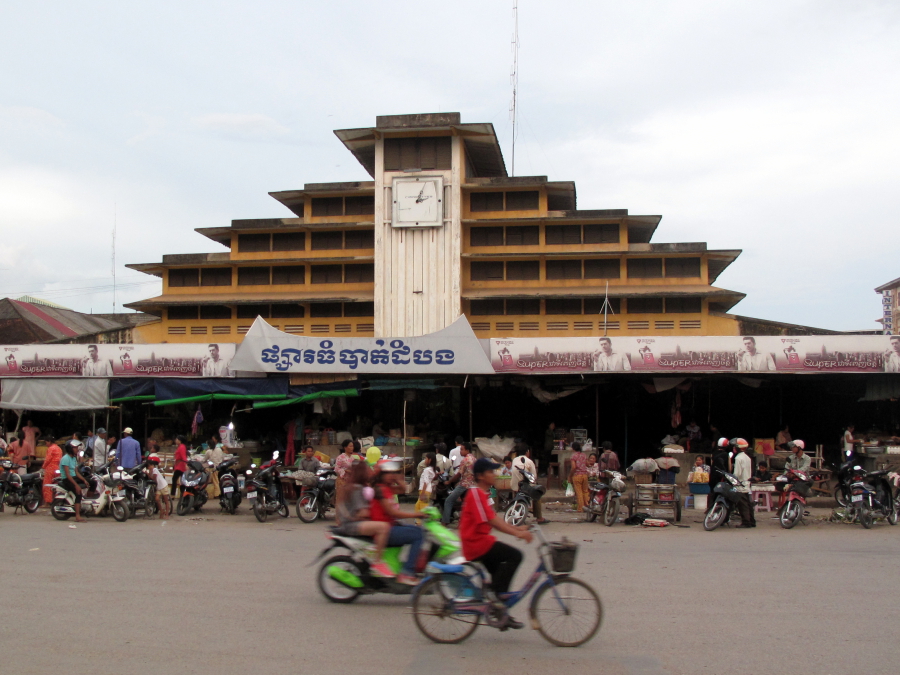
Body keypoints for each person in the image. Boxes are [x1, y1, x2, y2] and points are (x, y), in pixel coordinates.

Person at [459, 458, 534, 629]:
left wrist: (518, 529)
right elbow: (492, 521)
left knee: (499, 571)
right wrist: (517, 533)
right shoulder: (476, 493)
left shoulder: (482, 494)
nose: (494, 475)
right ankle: (497, 602)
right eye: (490, 472)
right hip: (476, 544)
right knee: (515, 556)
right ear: (481, 476)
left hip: (482, 541)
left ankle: (500, 610)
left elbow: (494, 519)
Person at [334, 461, 394, 578]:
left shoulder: (353, 486)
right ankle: (377, 563)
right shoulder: (357, 488)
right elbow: (363, 512)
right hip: (352, 525)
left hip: (350, 523)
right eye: (367, 470)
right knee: (383, 527)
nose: (369, 472)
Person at [369, 459, 424, 585]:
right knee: (418, 535)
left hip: (391, 527)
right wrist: (417, 514)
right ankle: (408, 572)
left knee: (419, 531)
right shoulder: (379, 489)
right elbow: (393, 513)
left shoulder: (387, 488)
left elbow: (403, 490)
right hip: (384, 531)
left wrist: (398, 478)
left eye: (392, 473)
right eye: (388, 473)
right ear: (381, 475)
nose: (391, 475)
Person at [511, 446, 546, 523]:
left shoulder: (514, 460)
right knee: (537, 496)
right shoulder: (529, 461)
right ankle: (539, 517)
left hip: (515, 486)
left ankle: (516, 512)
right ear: (527, 452)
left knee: (516, 495)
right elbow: (534, 477)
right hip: (525, 486)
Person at [442, 442, 474, 525]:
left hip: (464, 485)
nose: (460, 452)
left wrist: (449, 481)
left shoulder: (465, 460)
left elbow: (459, 474)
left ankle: (445, 521)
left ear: (467, 450)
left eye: (462, 450)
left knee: (449, 500)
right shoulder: (474, 459)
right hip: (472, 485)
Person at [60, 440, 88, 522]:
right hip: (67, 479)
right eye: (75, 447)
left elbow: (76, 472)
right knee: (78, 493)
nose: (77, 449)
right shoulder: (65, 458)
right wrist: (76, 485)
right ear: (70, 448)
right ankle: (77, 516)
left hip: (74, 477)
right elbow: (68, 475)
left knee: (92, 482)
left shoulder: (74, 458)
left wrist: (84, 480)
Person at [731, 438, 754, 528]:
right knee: (748, 504)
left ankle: (746, 522)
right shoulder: (747, 457)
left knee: (743, 505)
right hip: (747, 482)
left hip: (740, 484)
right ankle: (752, 521)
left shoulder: (738, 458)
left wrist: (733, 479)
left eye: (734, 447)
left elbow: (737, 473)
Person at [334, 439, 357, 523]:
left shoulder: (353, 458)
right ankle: (339, 518)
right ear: (345, 447)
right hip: (342, 480)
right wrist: (345, 471)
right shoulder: (340, 457)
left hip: (350, 481)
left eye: (352, 446)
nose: (352, 448)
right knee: (340, 500)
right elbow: (336, 468)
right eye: (350, 446)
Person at [568, 441, 590, 513]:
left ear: (573, 448)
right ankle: (587, 506)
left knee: (579, 492)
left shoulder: (573, 456)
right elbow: (588, 464)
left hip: (577, 475)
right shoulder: (584, 455)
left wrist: (570, 476)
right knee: (585, 491)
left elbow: (573, 467)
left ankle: (580, 508)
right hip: (585, 475)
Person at [147, 454, 171, 520]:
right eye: (149, 466)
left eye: (151, 466)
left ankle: (166, 514)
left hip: (163, 485)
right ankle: (161, 511)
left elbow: (153, 478)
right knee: (157, 499)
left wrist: (148, 474)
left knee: (166, 500)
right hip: (159, 487)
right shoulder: (151, 471)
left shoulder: (155, 470)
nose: (150, 467)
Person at [42, 438, 63, 504]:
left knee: (47, 485)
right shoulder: (59, 448)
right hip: (58, 468)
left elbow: (48, 459)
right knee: (57, 485)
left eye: (46, 442)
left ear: (49, 441)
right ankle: (57, 501)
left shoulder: (51, 448)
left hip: (50, 468)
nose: (46, 444)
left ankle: (48, 502)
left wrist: (43, 467)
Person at [205, 434, 225, 498]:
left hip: (214, 468)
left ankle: (217, 494)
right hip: (220, 467)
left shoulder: (208, 451)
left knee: (216, 481)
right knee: (219, 480)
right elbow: (223, 458)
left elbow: (204, 459)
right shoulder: (219, 449)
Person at [172, 435, 188, 501]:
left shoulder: (182, 447)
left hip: (180, 465)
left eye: (177, 439)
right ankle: (183, 494)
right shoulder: (180, 446)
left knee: (175, 479)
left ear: (179, 440)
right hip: (179, 465)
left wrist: (185, 464)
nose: (176, 441)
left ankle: (173, 494)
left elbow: (183, 456)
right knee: (181, 480)